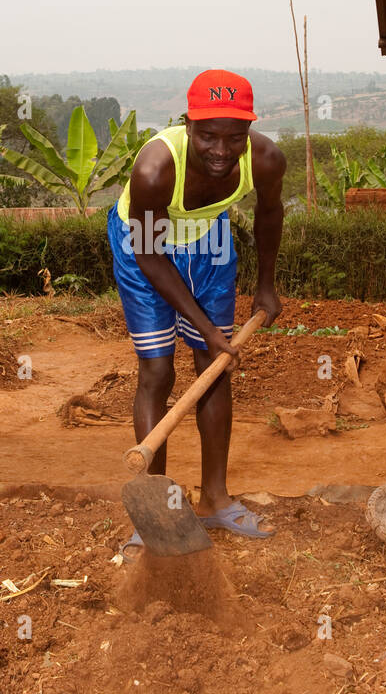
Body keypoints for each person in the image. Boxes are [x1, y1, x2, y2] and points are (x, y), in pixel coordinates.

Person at [107, 69, 286, 546]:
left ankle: (215, 499)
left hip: (210, 242)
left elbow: (271, 212)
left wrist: (266, 284)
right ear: (187, 124)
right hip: (143, 248)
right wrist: (204, 325)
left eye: (235, 137)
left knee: (216, 366)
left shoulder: (265, 159)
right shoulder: (153, 170)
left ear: (250, 129)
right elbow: (150, 253)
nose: (222, 151)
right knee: (157, 372)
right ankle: (154, 515)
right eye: (208, 136)